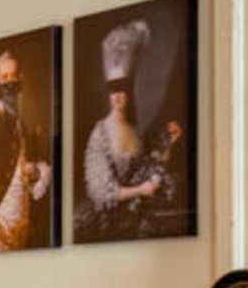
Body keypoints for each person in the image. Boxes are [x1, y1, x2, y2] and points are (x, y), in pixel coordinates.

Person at [77, 18, 184, 238]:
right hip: (106, 222)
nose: (117, 97)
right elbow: (100, 192)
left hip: (133, 218)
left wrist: (168, 147)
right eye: (113, 91)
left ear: (129, 93)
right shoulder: (100, 133)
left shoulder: (133, 131)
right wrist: (141, 190)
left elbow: (147, 172)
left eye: (122, 90)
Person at [0, 48, 53, 253]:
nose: (10, 82)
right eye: (5, 77)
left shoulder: (22, 124)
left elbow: (33, 163)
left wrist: (36, 171)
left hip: (23, 216)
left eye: (13, 76)